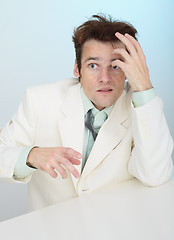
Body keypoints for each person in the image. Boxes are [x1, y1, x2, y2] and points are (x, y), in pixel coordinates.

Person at [0, 14, 173, 212]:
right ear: (77, 68)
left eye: (115, 66)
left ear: (129, 70)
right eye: (93, 66)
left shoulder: (142, 108)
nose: (104, 78)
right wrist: (30, 155)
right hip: (50, 230)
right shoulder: (39, 99)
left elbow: (156, 175)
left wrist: (144, 87)